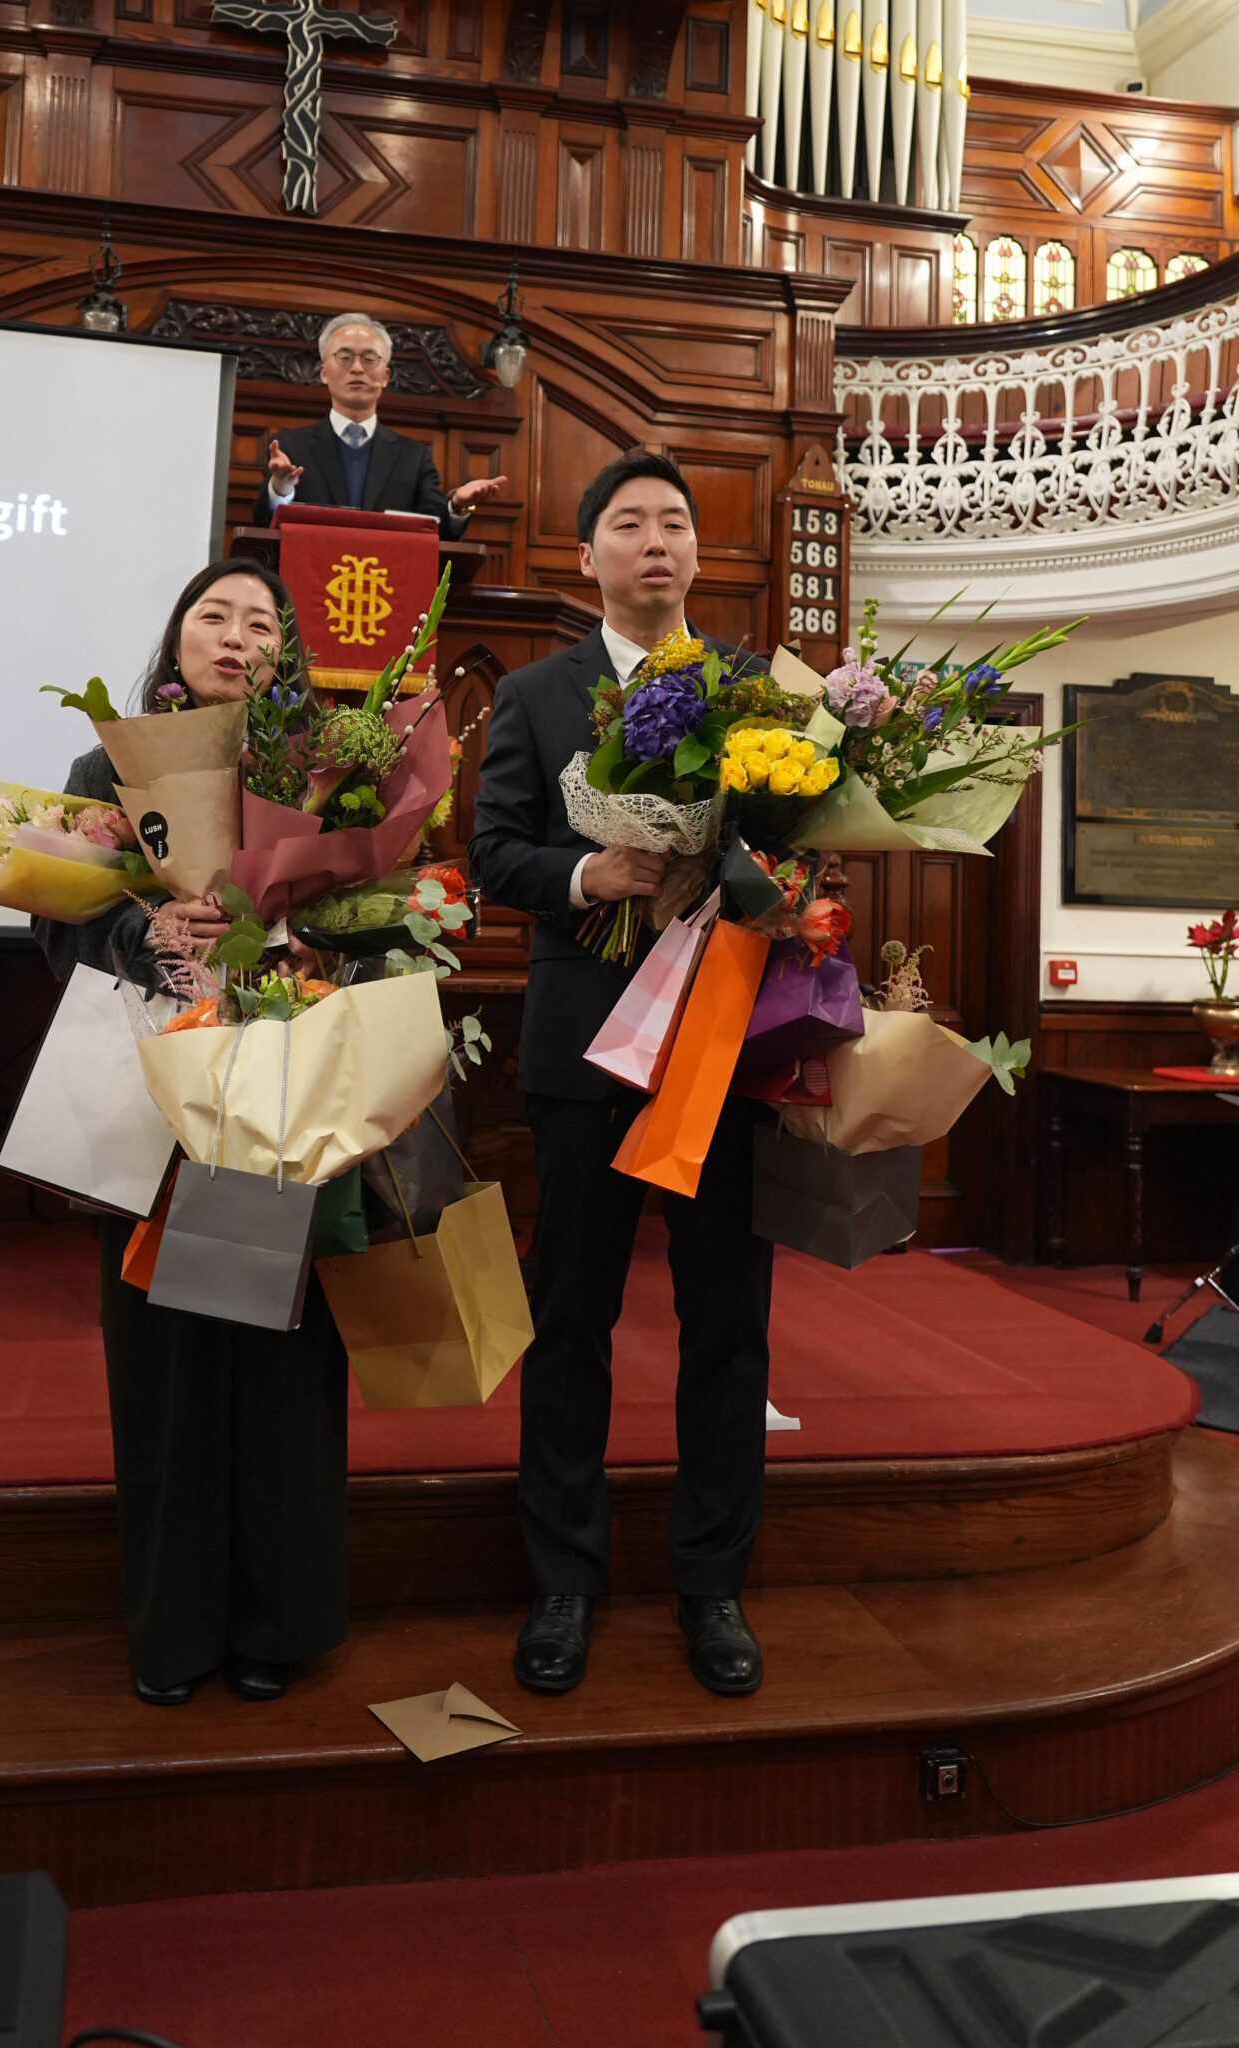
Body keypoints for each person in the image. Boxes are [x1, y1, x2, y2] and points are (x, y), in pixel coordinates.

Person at [468, 451, 773, 1702]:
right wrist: (586, 874)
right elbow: (493, 850)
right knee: (571, 1316)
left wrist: (768, 882)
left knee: (728, 1325)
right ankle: (564, 1581)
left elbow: (800, 837)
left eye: (676, 523)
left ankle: (713, 1582)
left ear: (698, 554)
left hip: (721, 1044)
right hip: (587, 1044)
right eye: (630, 523)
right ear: (587, 555)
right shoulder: (536, 693)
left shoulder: (754, 691)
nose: (657, 540)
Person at [32, 558, 348, 1708]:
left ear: (283, 658)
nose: (235, 634)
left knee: (275, 1361)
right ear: (176, 639)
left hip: (276, 1089)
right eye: (214, 614)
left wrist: (296, 944)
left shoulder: (323, 776)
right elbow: (57, 922)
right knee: (164, 1364)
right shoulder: (106, 770)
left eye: (261, 622)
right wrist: (150, 935)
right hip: (152, 1098)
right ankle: (172, 1632)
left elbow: (377, 916)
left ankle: (276, 1625)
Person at [253, 311, 506, 536]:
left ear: (385, 377)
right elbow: (263, 525)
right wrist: (281, 489)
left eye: (369, 358)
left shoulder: (414, 458)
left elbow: (435, 532)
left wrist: (458, 506)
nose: (357, 368)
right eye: (344, 357)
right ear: (324, 373)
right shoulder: (290, 449)